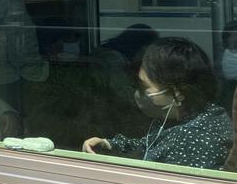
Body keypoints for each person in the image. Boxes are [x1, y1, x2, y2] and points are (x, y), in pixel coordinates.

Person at [82, 37, 233, 169]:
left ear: (178, 91)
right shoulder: (181, 117)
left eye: (144, 86)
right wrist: (111, 145)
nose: (138, 93)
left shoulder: (195, 139)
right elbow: (151, 145)